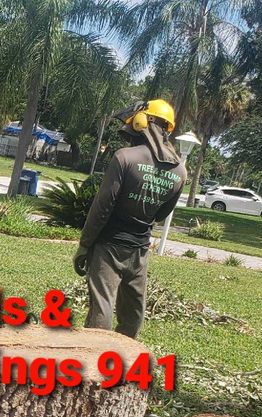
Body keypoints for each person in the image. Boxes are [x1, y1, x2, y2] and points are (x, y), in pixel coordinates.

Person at [73, 99, 186, 338]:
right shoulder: (180, 171)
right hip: (139, 250)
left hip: (108, 246)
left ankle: (93, 358)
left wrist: (85, 245)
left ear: (141, 121)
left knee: (102, 305)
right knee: (133, 313)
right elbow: (162, 214)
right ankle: (122, 359)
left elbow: (102, 206)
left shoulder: (124, 157)